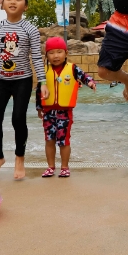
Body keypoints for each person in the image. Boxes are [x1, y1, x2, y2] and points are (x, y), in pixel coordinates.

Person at [0, 0, 46, 181]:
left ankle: (19, 158)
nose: (13, 2)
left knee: (18, 119)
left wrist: (43, 82)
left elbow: (37, 58)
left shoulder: (30, 29)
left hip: (23, 80)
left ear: (26, 5)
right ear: (2, 3)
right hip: (1, 80)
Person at [38, 36, 96, 178]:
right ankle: (51, 167)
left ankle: (64, 167)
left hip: (65, 112)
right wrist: (38, 107)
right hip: (48, 111)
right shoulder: (44, 71)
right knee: (49, 140)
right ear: (46, 55)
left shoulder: (73, 68)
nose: (55, 56)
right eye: (51, 53)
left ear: (66, 53)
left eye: (59, 52)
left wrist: (90, 83)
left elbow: (84, 76)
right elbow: (38, 89)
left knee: (64, 141)